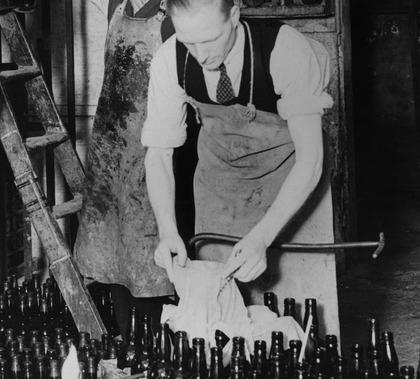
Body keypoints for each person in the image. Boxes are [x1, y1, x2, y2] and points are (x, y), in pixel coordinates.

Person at [143, 0, 333, 289]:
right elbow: (158, 155)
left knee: (302, 306)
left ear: (233, 15)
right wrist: (167, 230)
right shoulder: (170, 60)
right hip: (221, 183)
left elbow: (311, 161)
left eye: (210, 40)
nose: (202, 55)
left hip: (293, 181)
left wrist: (263, 237)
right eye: (189, 42)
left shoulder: (285, 50)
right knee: (224, 307)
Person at [74, 0, 178, 337]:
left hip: (151, 155)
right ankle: (126, 338)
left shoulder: (169, 17)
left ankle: (152, 347)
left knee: (149, 255)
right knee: (114, 252)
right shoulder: (117, 7)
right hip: (110, 152)